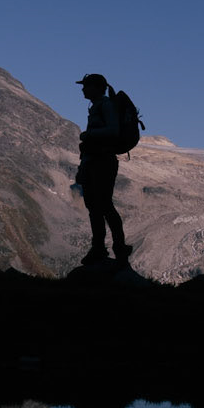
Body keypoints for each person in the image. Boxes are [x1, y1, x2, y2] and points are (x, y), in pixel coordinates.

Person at [74, 72, 131, 266]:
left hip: (102, 161)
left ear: (97, 88)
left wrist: (89, 135)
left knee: (103, 205)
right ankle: (102, 248)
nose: (83, 89)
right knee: (95, 205)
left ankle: (114, 247)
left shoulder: (105, 106)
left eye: (86, 86)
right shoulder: (98, 106)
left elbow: (113, 130)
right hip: (95, 161)